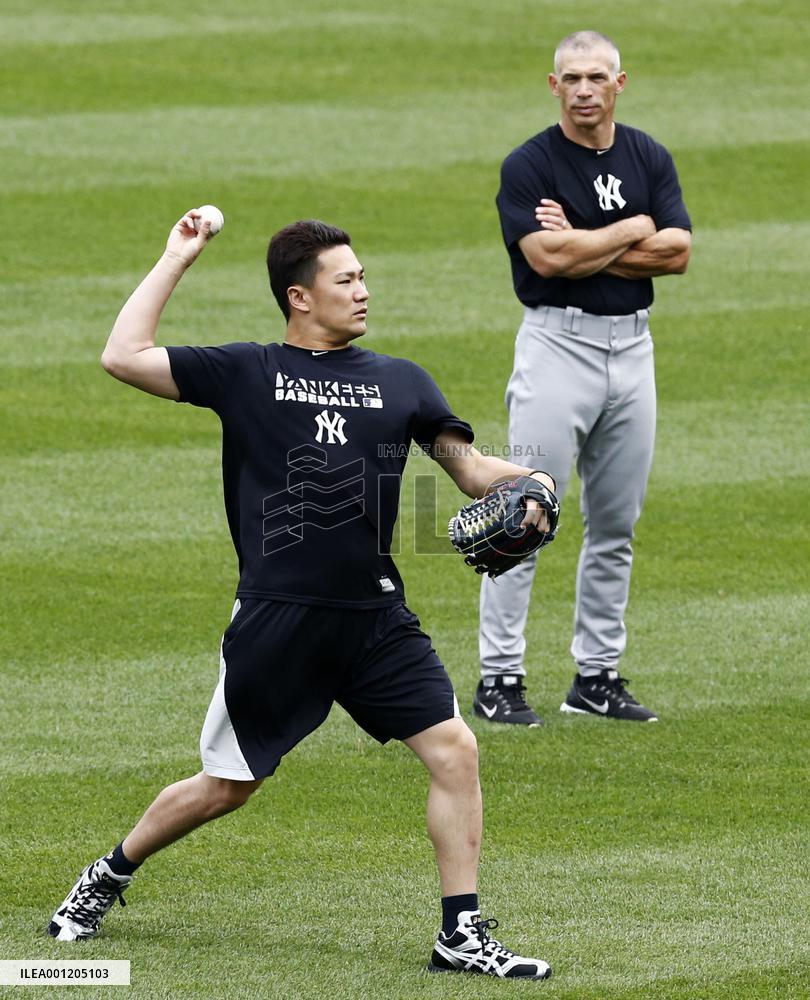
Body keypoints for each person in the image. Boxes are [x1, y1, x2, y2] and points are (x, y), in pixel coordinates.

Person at [47, 211, 557, 981]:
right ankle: (109, 874)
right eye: (346, 280)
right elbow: (122, 355)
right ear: (300, 297)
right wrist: (176, 256)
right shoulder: (246, 372)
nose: (363, 291)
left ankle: (460, 933)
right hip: (279, 618)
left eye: (362, 278)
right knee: (226, 788)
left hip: (376, 616)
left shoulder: (403, 380)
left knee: (455, 749)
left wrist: (536, 482)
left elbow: (470, 469)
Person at [474, 30, 691, 727]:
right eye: (572, 78)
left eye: (597, 77)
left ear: (620, 83)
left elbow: (679, 252)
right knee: (525, 513)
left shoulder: (648, 154)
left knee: (616, 524)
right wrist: (632, 228)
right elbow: (545, 260)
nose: (585, 90)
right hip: (556, 349)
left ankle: (595, 678)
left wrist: (585, 240)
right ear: (553, 84)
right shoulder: (530, 164)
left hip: (633, 351)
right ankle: (498, 678)